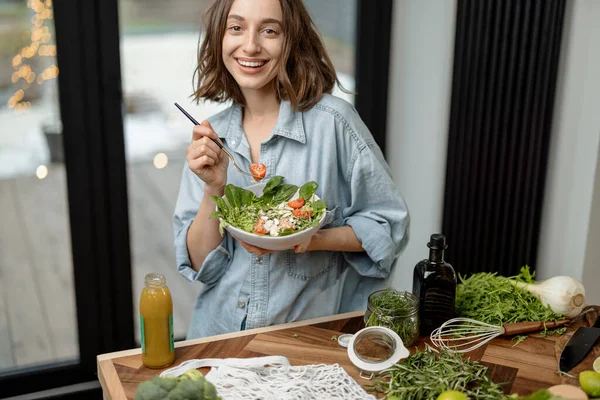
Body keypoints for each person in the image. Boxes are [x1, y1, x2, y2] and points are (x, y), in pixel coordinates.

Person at [173, 0, 409, 339]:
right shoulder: (212, 136)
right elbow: (199, 266)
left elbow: (388, 228)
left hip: (308, 340)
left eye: (269, 30)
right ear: (218, 39)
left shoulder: (334, 124)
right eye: (236, 28)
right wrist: (214, 189)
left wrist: (309, 240)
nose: (250, 45)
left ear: (291, 41)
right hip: (218, 336)